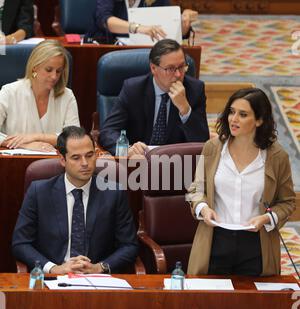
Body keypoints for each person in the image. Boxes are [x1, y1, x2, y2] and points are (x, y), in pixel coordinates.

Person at [186, 88, 295, 276]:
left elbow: (287, 202)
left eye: (242, 114)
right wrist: (203, 208)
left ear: (259, 120)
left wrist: (267, 218)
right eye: (231, 111)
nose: (233, 119)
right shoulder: (212, 148)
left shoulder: (277, 157)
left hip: (256, 245)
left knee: (253, 303)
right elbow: (196, 189)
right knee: (208, 301)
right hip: (215, 240)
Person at [12, 126, 139, 274]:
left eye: (89, 155)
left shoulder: (113, 193)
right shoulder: (39, 192)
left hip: (97, 280)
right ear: (62, 159)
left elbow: (129, 246)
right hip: (54, 278)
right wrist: (53, 268)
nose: (85, 163)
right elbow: (20, 244)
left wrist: (99, 267)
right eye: (76, 157)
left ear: (97, 154)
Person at [99, 38, 209, 157]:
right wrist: (127, 150)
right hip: (138, 163)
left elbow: (202, 142)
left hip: (176, 165)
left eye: (182, 67)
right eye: (170, 69)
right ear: (153, 68)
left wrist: (185, 110)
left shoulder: (195, 90)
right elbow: (108, 131)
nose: (178, 74)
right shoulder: (133, 90)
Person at [0, 39, 80, 152]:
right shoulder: (9, 92)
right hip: (13, 162)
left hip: (54, 164)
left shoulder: (67, 96)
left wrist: (35, 137)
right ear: (34, 68)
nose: (54, 76)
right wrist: (25, 145)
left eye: (58, 71)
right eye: (49, 70)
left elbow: (75, 138)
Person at [85, 0, 198, 43]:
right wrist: (138, 28)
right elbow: (105, 20)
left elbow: (168, 28)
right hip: (105, 46)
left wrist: (184, 24)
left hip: (143, 50)